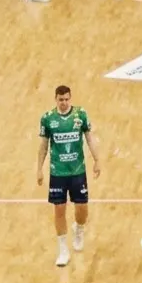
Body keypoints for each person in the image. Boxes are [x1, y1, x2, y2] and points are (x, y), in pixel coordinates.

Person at [38, 83, 100, 268]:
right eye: (61, 100)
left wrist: (97, 160)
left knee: (82, 210)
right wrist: (39, 169)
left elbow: (89, 138)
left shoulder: (80, 115)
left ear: (70, 99)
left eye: (67, 99)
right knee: (59, 210)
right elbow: (43, 146)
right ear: (55, 99)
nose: (64, 103)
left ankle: (79, 229)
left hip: (77, 171)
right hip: (58, 172)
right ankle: (63, 249)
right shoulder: (48, 119)